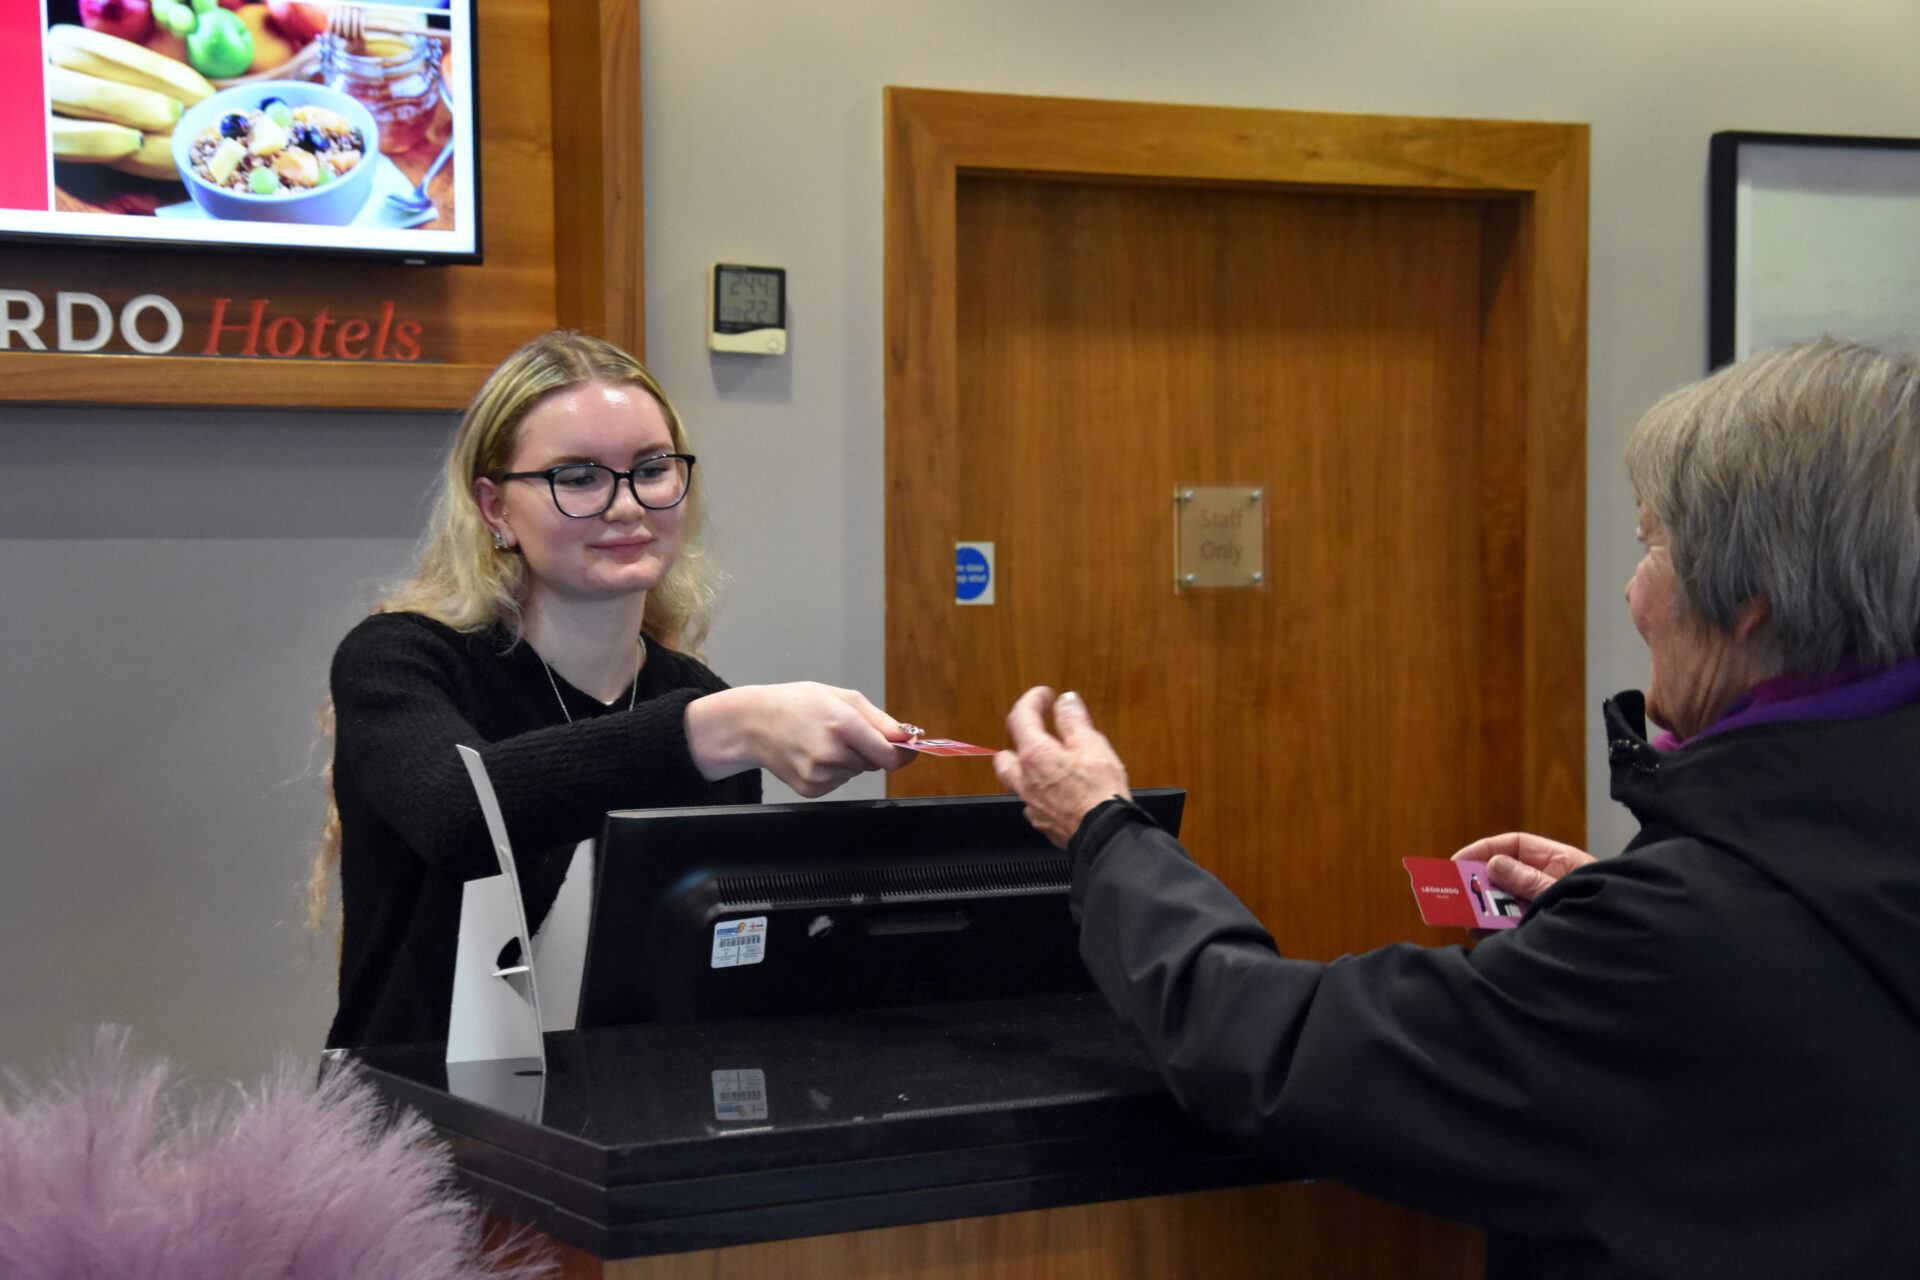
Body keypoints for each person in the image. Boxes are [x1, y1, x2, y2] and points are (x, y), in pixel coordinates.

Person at [993, 338, 1920, 1278]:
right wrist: (1638, 905)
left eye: (1654, 546)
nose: (1634, 592)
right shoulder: (1791, 894)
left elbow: (1278, 1052)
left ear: (1751, 604)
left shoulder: (1686, 944)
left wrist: (1103, 829)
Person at [314, 331, 913, 1049]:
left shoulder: (691, 694)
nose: (627, 505)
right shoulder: (401, 658)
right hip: (420, 1131)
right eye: (578, 477)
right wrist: (719, 730)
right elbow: (461, 817)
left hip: (625, 1121)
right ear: (495, 507)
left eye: (652, 470)